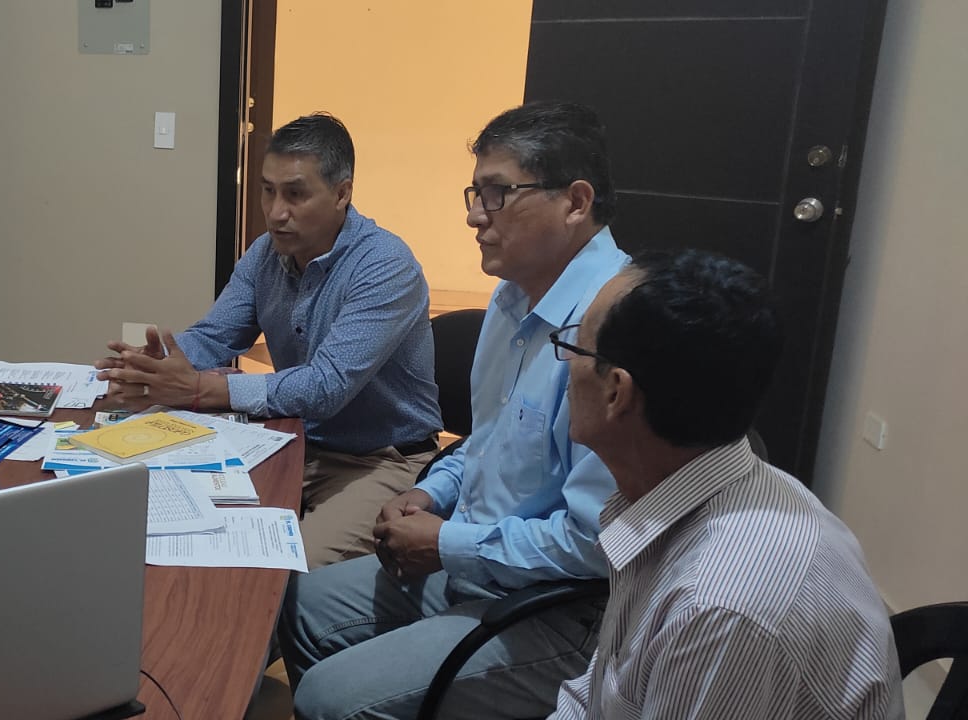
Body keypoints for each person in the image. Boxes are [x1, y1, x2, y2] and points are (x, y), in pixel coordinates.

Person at [278, 101, 626, 719]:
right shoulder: (512, 299)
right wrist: (432, 492)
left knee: (328, 696)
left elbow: (598, 544)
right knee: (294, 605)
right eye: (475, 193)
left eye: (498, 194)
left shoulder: (614, 326)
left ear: (575, 202)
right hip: (478, 560)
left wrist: (449, 544)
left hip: (564, 607)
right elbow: (487, 442)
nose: (474, 215)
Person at [547, 250, 902, 719]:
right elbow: (598, 697)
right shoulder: (670, 497)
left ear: (617, 391)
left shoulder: (718, 604)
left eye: (576, 347)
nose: (564, 366)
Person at [95, 113, 443, 569]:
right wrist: (152, 368)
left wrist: (200, 390)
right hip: (290, 439)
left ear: (342, 193)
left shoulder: (384, 265)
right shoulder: (265, 253)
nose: (276, 212)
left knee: (282, 569)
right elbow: (215, 336)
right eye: (268, 190)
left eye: (295, 194)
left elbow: (325, 386)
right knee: (171, 526)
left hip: (380, 459)